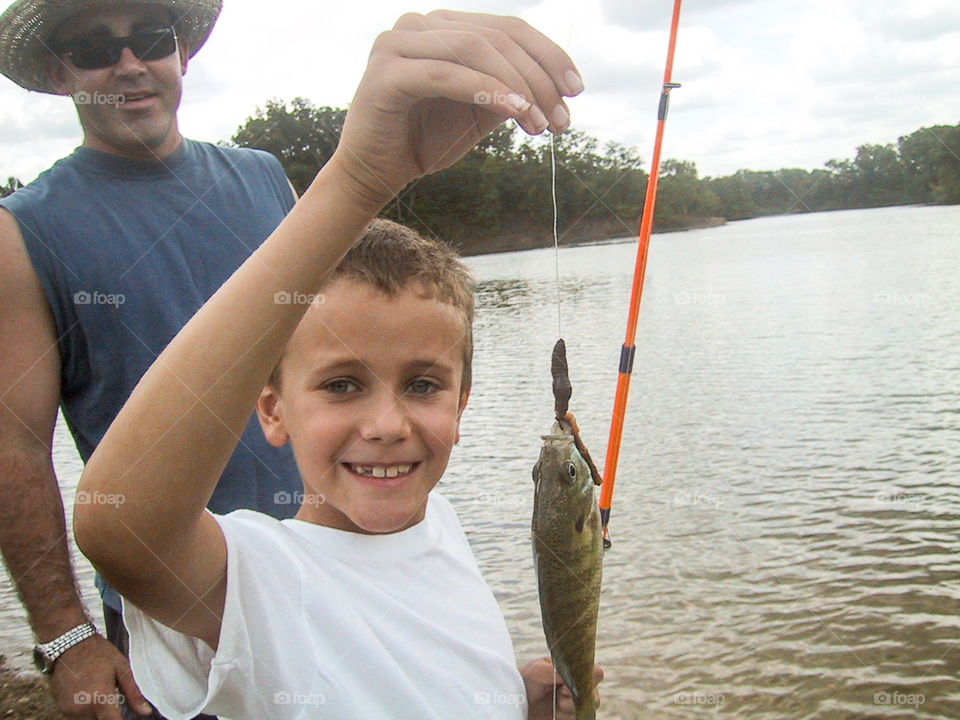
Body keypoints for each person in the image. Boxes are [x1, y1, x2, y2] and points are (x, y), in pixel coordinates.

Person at [73, 8, 602, 719]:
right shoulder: (263, 580)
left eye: (422, 384)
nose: (386, 424)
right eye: (342, 385)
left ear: (464, 399)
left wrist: (512, 698)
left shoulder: (439, 524)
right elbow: (123, 529)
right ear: (272, 409)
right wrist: (355, 181)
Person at [0, 1, 301, 717]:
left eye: (152, 39)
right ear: (57, 69)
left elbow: (333, 372)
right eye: (95, 47)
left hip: (316, 577)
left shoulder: (266, 182)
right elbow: (13, 448)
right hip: (168, 625)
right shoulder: (23, 234)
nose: (129, 65)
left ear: (183, 52)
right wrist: (66, 640)